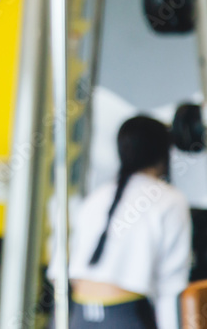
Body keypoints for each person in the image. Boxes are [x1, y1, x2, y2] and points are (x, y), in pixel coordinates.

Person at [64, 115, 191, 329]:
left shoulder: (96, 198)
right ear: (164, 152)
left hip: (79, 316)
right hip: (125, 317)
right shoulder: (170, 199)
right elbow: (171, 287)